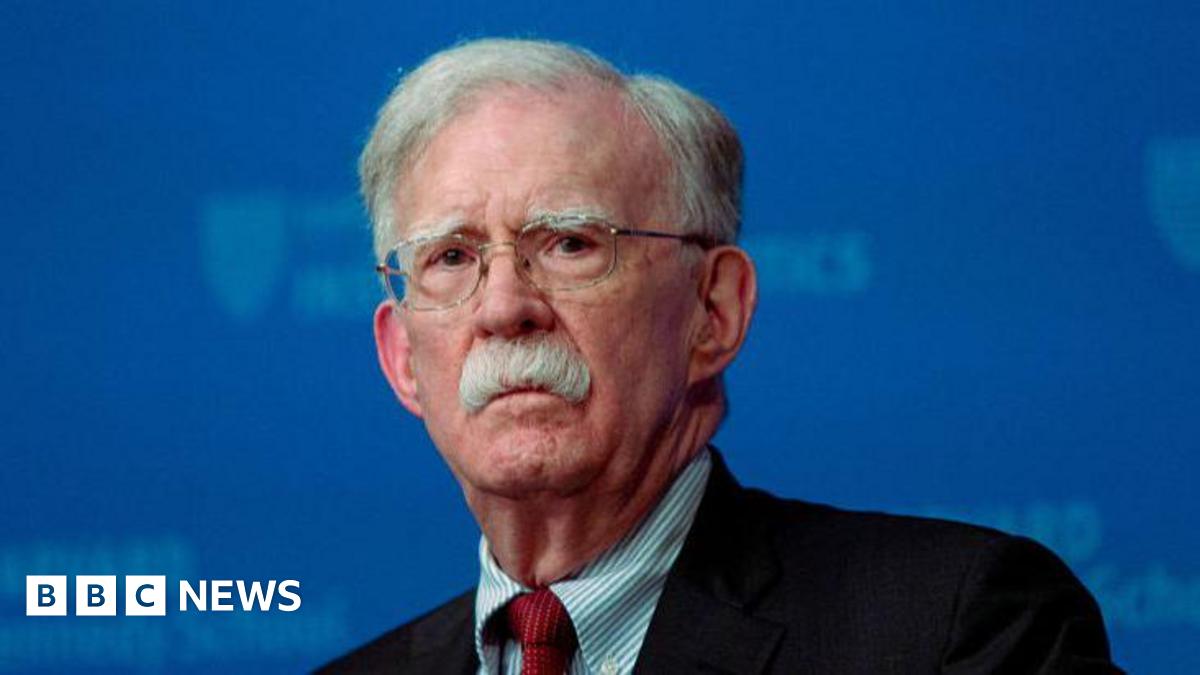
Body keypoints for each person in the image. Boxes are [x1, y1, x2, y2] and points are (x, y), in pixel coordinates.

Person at [320, 38, 1120, 674]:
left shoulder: (956, 629)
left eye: (569, 243)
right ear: (401, 358)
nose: (504, 307)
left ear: (714, 311)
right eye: (452, 259)